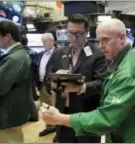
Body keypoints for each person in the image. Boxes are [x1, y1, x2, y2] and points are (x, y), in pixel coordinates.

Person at [39, 18, 135, 143]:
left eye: (105, 39)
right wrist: (67, 85)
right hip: (116, 128)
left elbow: (107, 119)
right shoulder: (124, 59)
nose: (101, 46)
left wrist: (59, 118)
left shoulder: (126, 72)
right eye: (99, 41)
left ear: (122, 38)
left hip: (129, 134)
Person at [43, 14, 108, 143]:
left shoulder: (97, 54)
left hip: (86, 114)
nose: (74, 38)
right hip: (62, 112)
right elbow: (46, 79)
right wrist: (53, 83)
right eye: (70, 33)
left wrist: (81, 87)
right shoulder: (58, 53)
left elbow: (103, 83)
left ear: (87, 33)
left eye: (78, 33)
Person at [34, 33, 56, 137]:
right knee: (45, 106)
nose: (43, 44)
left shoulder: (58, 53)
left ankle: (59, 128)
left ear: (52, 41)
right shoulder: (41, 54)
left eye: (45, 42)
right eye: (42, 42)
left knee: (55, 106)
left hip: (54, 85)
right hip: (42, 84)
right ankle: (50, 127)